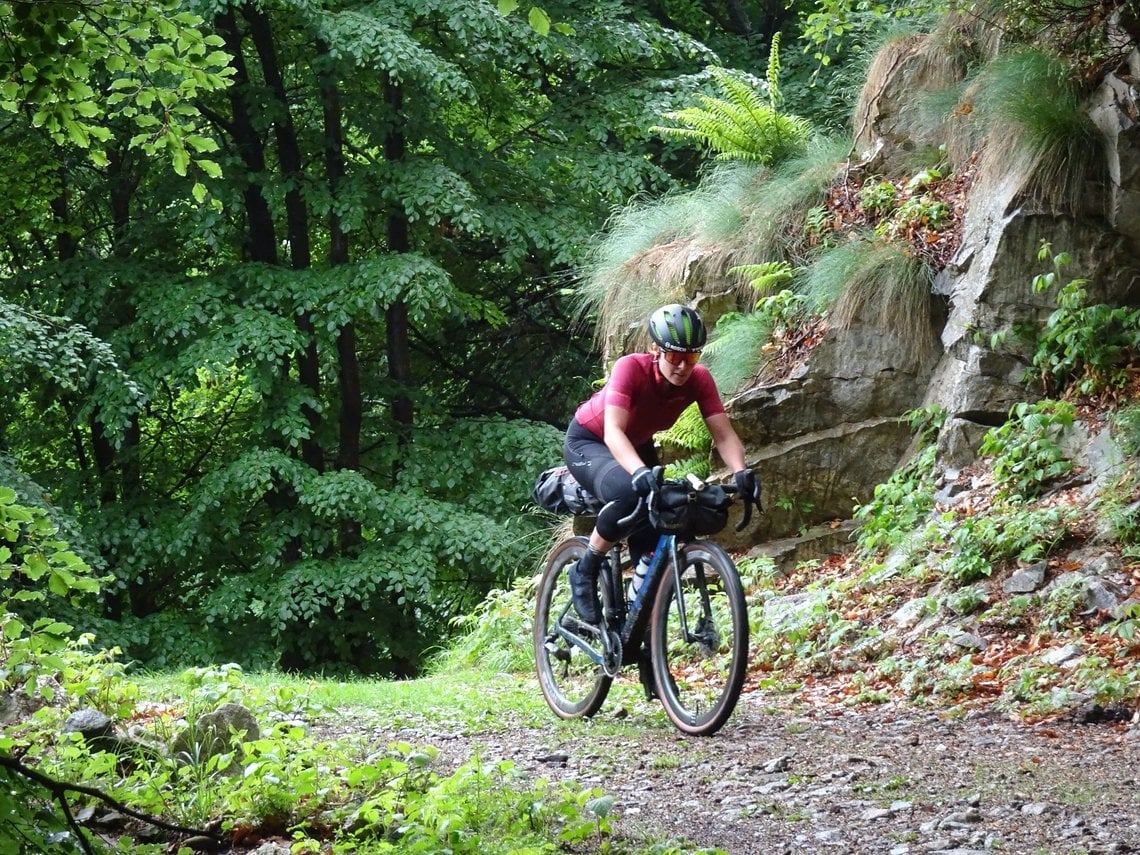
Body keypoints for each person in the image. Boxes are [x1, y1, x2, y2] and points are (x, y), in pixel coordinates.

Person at [563, 303, 761, 626]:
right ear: (656, 350)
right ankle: (585, 569)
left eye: (692, 357)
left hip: (637, 442)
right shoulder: (631, 368)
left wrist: (742, 472)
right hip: (590, 440)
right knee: (631, 494)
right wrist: (639, 472)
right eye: (674, 356)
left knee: (657, 528)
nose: (683, 366)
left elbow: (724, 436)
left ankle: (644, 642)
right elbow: (613, 432)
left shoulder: (699, 380)